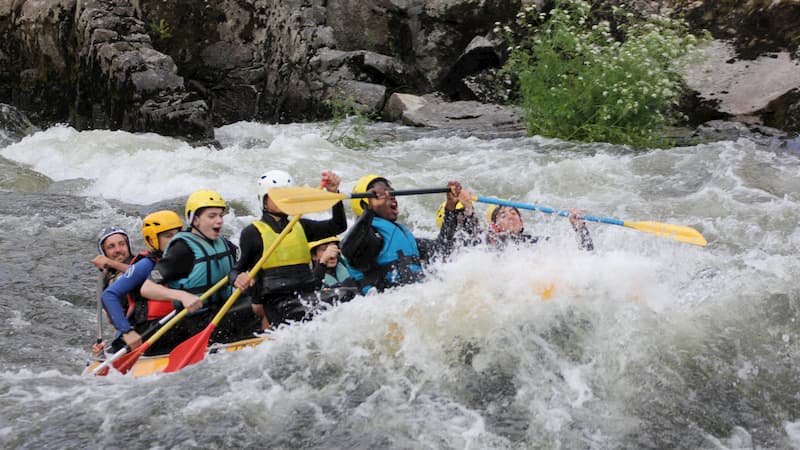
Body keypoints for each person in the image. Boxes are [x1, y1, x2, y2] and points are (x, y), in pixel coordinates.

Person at [140, 190, 260, 353]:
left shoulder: (225, 244)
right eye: (212, 216)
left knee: (263, 295)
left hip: (223, 311)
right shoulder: (181, 250)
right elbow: (147, 288)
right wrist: (181, 296)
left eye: (220, 215)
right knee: (258, 306)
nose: (219, 221)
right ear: (195, 220)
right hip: (196, 323)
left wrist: (246, 277)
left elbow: (240, 271)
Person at [231, 170, 347, 330]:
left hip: (306, 296)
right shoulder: (252, 233)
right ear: (264, 198)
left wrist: (334, 194)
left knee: (348, 293)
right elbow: (236, 270)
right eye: (277, 194)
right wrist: (238, 278)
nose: (283, 198)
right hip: (278, 304)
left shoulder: (301, 226)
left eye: (286, 193)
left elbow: (338, 225)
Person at [340, 175, 465, 295]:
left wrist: (450, 209)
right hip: (385, 306)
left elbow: (441, 250)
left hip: (414, 301)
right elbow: (348, 248)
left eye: (392, 192)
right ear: (366, 204)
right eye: (382, 195)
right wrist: (369, 211)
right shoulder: (370, 237)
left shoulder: (401, 236)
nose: (392, 196)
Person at [99, 210, 183, 355]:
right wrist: (124, 334)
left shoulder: (178, 257)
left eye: (121, 244)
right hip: (145, 330)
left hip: (171, 321)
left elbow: (134, 271)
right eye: (111, 247)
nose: (118, 250)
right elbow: (113, 304)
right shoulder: (142, 266)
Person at [485, 203, 594, 250]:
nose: (510, 217)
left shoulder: (536, 242)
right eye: (503, 215)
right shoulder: (492, 242)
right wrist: (468, 212)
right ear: (495, 227)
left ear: (521, 222)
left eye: (513, 213)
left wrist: (580, 228)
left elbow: (585, 256)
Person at [308, 236, 358, 304]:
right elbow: (311, 291)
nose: (332, 255)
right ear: (313, 256)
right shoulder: (309, 278)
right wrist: (323, 262)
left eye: (333, 248)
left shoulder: (349, 265)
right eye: (324, 250)